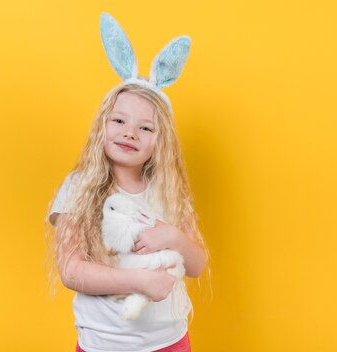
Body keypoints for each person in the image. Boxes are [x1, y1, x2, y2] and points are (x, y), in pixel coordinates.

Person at [45, 12, 208, 352]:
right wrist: (141, 281)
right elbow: (72, 270)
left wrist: (174, 237)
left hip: (170, 341)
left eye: (145, 128)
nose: (129, 132)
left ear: (160, 141)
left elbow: (197, 265)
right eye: (119, 120)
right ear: (102, 126)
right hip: (104, 344)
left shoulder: (169, 192)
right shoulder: (79, 187)